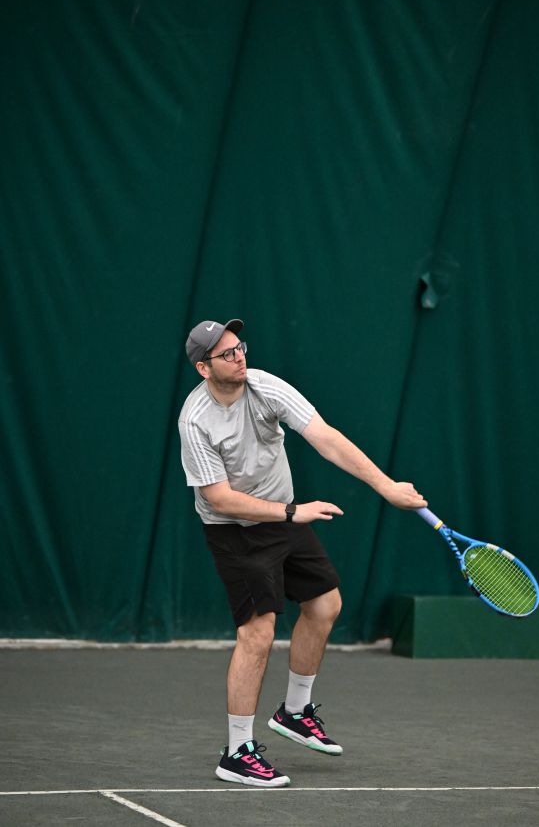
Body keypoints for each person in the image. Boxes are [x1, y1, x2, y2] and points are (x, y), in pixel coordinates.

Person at [178, 318, 427, 787]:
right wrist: (292, 512)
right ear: (203, 368)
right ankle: (236, 752)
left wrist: (386, 486)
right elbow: (220, 499)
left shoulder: (265, 386)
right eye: (226, 354)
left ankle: (293, 711)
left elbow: (326, 437)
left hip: (283, 516)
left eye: (239, 346)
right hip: (236, 531)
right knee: (257, 633)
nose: (239, 356)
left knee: (325, 604)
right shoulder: (195, 421)